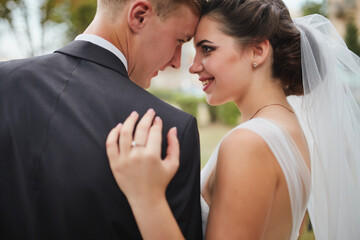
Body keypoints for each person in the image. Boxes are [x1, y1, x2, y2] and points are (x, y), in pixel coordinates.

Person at [106, 0, 360, 239]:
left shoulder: (248, 143)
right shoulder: (291, 130)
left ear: (257, 52)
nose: (193, 66)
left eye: (207, 49)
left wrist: (147, 198)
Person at [0, 0, 205, 239]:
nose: (177, 61)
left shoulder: (5, 83)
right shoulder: (170, 131)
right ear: (139, 16)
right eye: (179, 41)